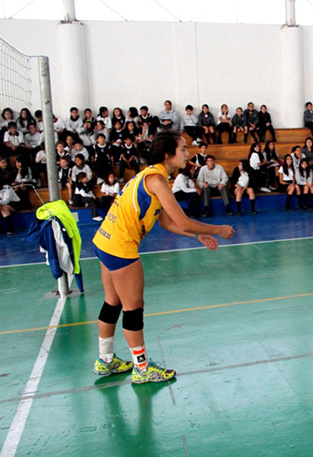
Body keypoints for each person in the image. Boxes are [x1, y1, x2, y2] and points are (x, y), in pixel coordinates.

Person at [92, 130, 235, 384]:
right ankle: (142, 368)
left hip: (104, 240)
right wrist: (218, 230)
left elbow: (168, 222)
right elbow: (183, 220)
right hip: (121, 246)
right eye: (182, 150)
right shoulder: (156, 180)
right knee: (133, 309)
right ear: (168, 155)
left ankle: (104, 360)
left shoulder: (151, 177)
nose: (187, 153)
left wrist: (196, 237)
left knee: (112, 302)